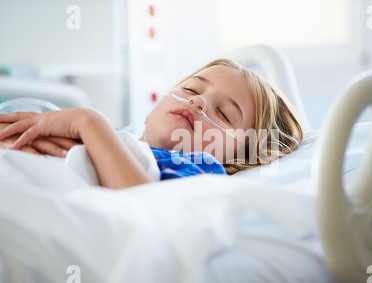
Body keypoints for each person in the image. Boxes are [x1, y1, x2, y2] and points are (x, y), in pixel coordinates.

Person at [0, 58, 303, 189]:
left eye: (224, 114)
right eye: (191, 90)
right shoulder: (122, 139)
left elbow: (144, 206)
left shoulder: (200, 173)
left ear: (242, 157)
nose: (198, 102)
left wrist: (88, 121)